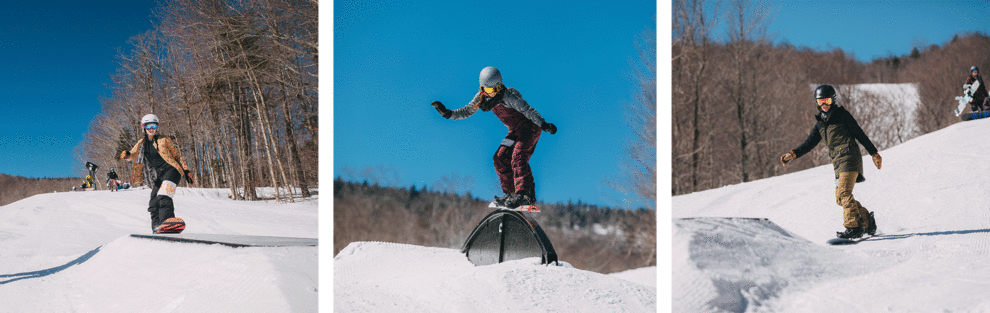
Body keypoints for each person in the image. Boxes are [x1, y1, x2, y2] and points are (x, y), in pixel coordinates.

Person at [431, 66, 557, 208]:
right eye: (489, 90)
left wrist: (544, 124)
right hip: (516, 131)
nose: (493, 93)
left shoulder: (508, 96)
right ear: (482, 89)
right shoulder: (481, 98)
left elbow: (527, 110)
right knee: (500, 157)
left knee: (518, 156)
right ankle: (511, 194)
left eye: (496, 89)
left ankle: (525, 194)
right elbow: (468, 110)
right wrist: (449, 114)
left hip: (530, 128)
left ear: (500, 86)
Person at [780, 85, 882, 239]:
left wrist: (874, 153)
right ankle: (868, 222)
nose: (824, 105)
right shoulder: (821, 123)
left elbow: (859, 134)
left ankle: (853, 227)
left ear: (833, 100)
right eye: (821, 101)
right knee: (840, 198)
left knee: (844, 193)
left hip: (850, 158)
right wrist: (793, 154)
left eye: (827, 100)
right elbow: (809, 143)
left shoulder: (842, 116)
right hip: (838, 164)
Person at [120, 114, 194, 232]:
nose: (151, 129)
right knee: (153, 202)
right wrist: (127, 155)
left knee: (164, 195)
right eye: (148, 126)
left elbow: (177, 156)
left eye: (154, 126)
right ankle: (157, 227)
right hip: (159, 175)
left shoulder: (164, 139)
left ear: (157, 127)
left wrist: (186, 170)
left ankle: (168, 222)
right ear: (143, 127)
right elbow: (133, 154)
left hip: (172, 170)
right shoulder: (141, 143)